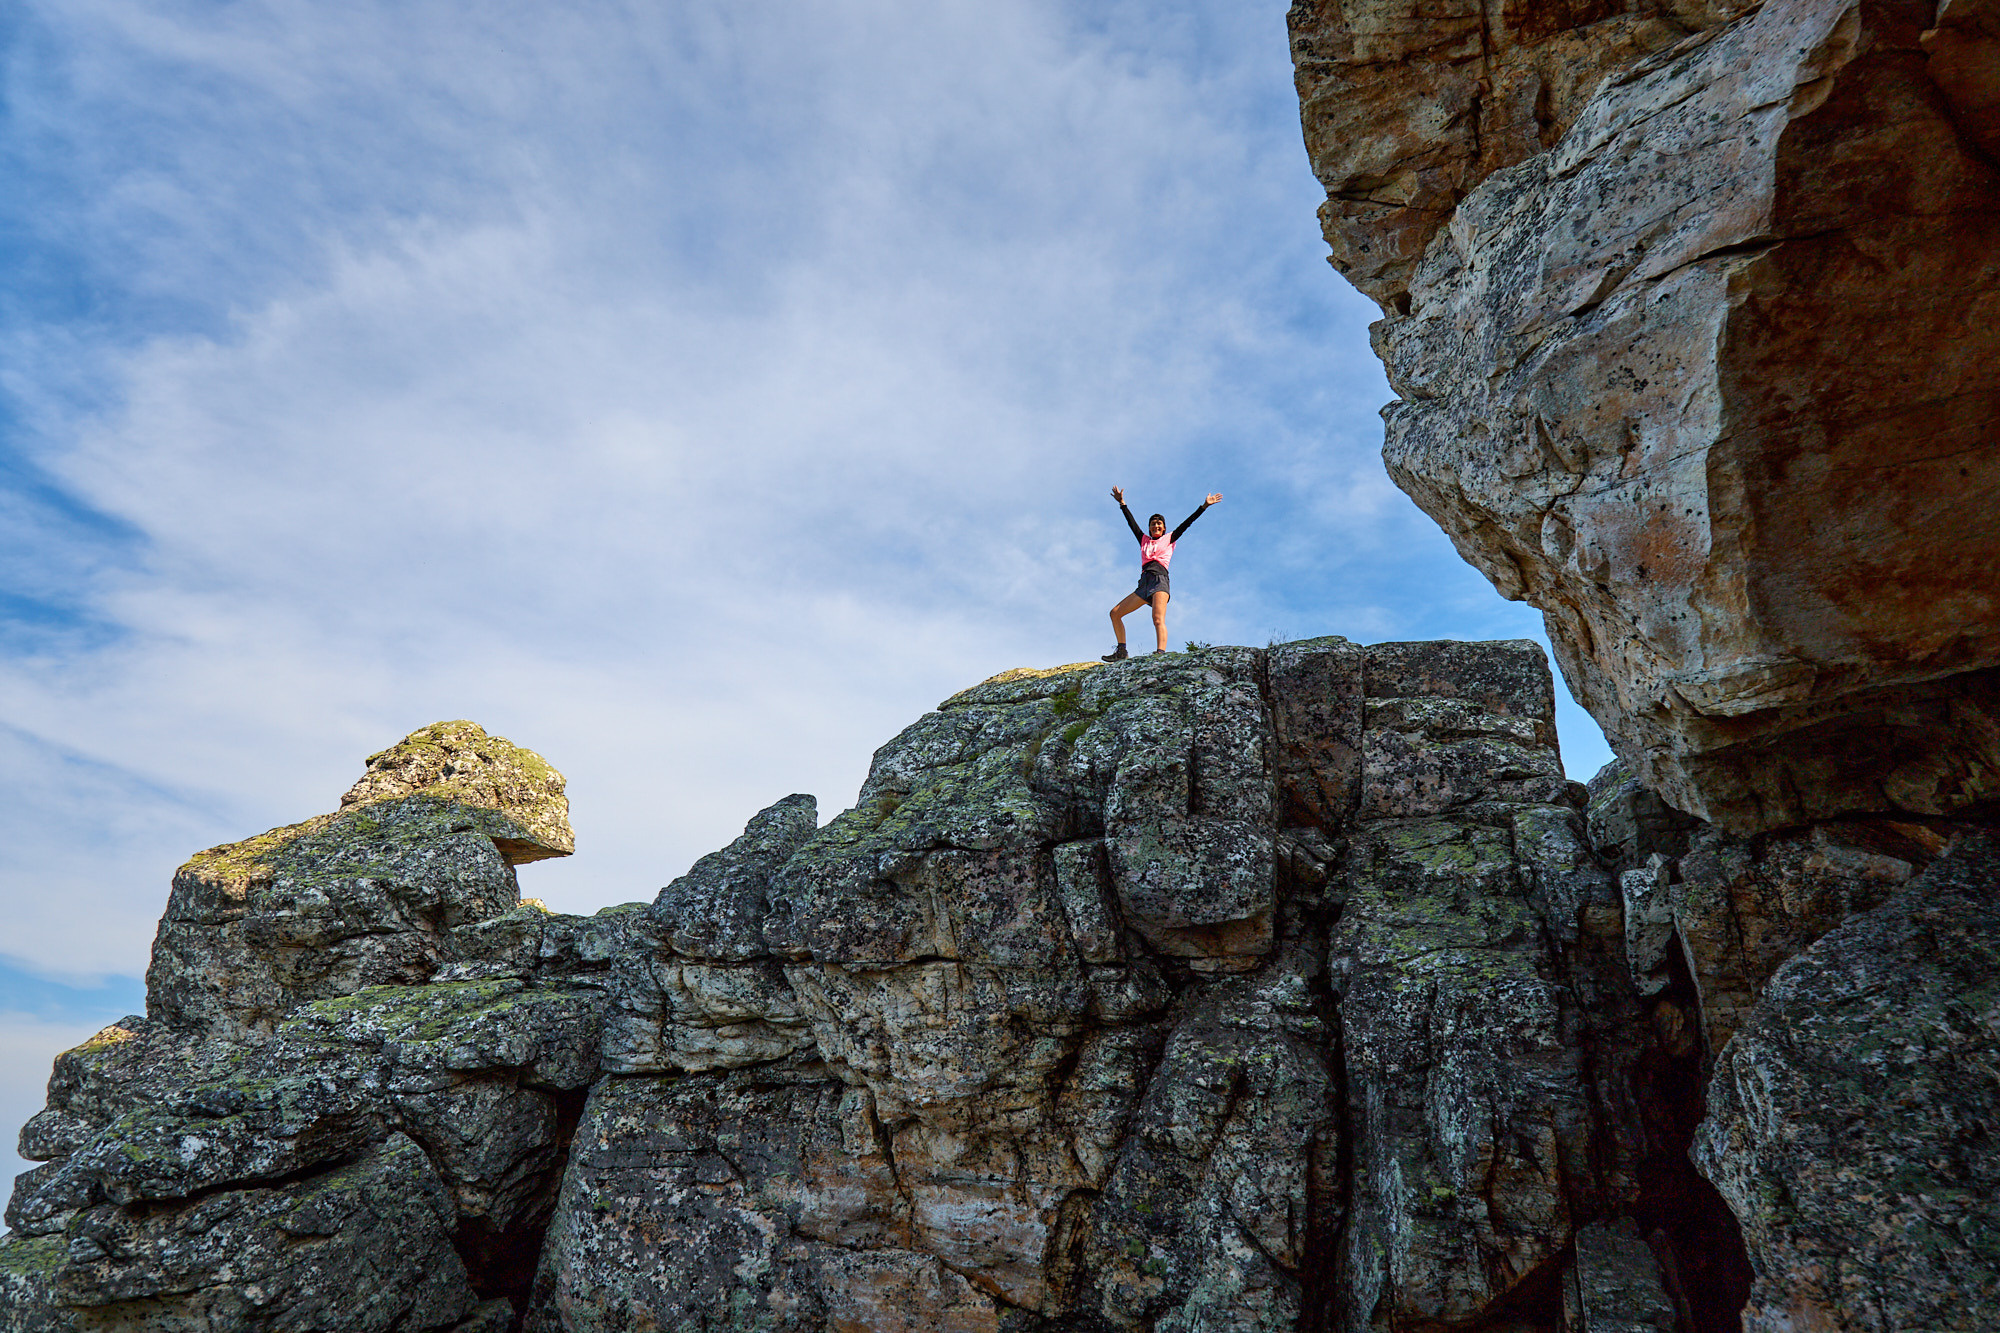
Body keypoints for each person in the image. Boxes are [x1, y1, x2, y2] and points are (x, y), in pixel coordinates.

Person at [1102, 486, 1222, 660]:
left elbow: (1187, 523)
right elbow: (1131, 523)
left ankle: (1160, 654)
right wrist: (1122, 503)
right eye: (1153, 524)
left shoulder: (1169, 538)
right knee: (1115, 613)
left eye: (1159, 524)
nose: (1156, 526)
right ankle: (1121, 652)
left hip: (1160, 580)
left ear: (1164, 528)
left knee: (1157, 619)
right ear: (1150, 528)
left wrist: (1204, 506)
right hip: (1144, 582)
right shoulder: (1144, 540)